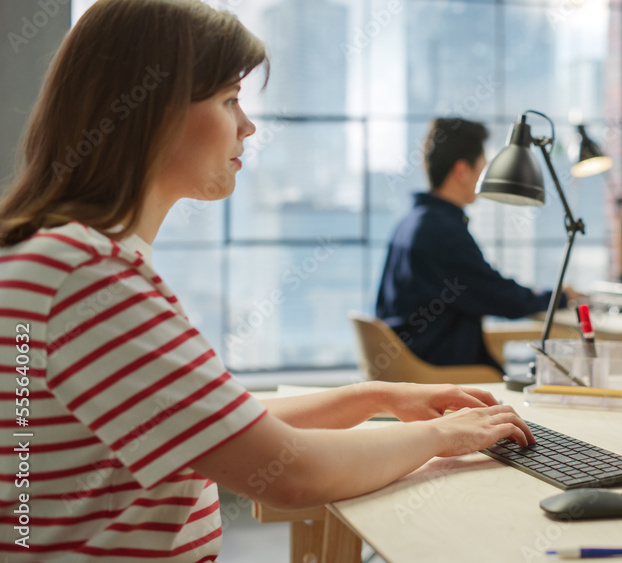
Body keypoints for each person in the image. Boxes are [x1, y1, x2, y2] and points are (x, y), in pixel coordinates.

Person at [0, 1, 533, 561]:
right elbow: (291, 473)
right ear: (152, 110)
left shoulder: (60, 257)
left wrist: (377, 396)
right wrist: (448, 437)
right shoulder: (88, 277)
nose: (248, 125)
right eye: (230, 100)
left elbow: (222, 424)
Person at [376, 118, 579, 373]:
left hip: (412, 359)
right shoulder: (441, 233)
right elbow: (500, 297)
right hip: (436, 369)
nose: (485, 174)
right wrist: (561, 297)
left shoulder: (412, 222)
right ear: (462, 170)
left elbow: (484, 289)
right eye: (483, 166)